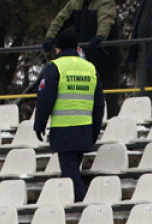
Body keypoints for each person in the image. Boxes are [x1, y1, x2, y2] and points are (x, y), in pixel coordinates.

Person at [34, 29, 105, 202]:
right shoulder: (90, 68)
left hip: (64, 130)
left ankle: (79, 203)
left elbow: (45, 99)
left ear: (58, 49)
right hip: (84, 129)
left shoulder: (55, 67)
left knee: (70, 173)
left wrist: (39, 125)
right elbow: (99, 103)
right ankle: (76, 203)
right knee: (73, 168)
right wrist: (95, 130)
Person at [44, 0, 120, 115]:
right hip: (85, 59)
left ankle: (112, 121)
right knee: (86, 92)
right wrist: (50, 38)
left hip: (106, 57)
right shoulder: (75, 3)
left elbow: (105, 19)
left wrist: (100, 36)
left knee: (109, 94)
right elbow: (60, 20)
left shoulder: (105, 2)